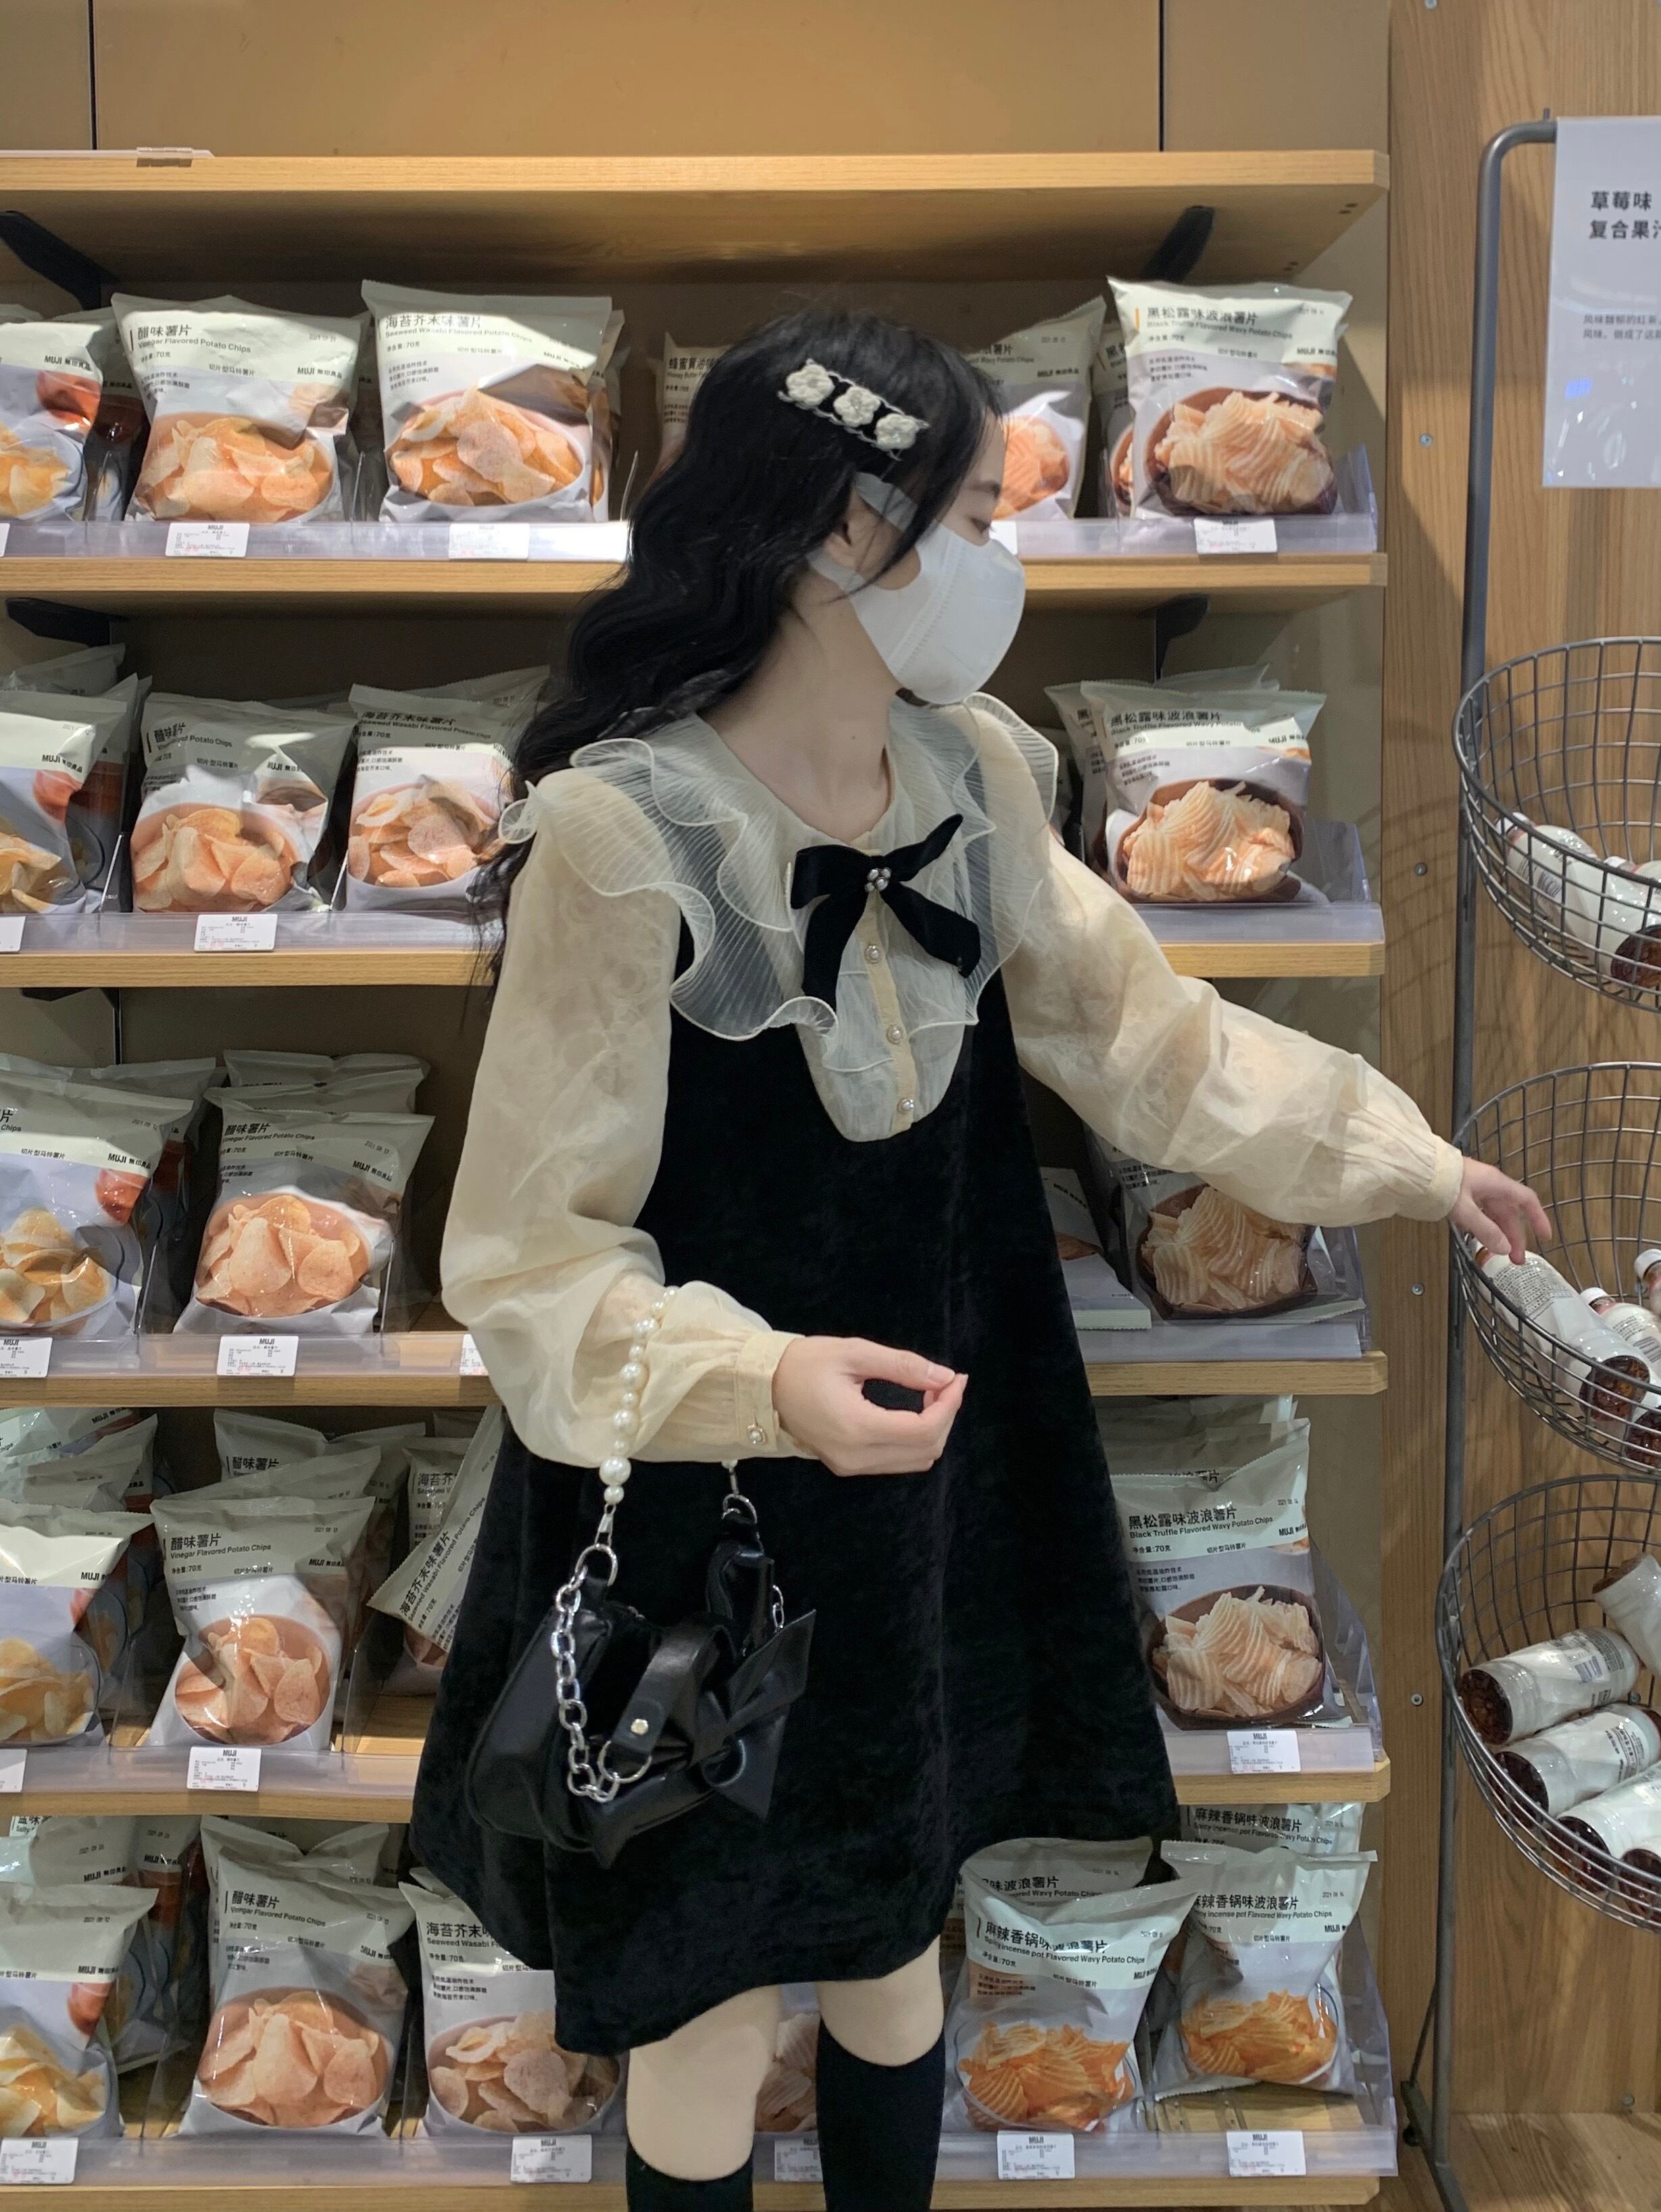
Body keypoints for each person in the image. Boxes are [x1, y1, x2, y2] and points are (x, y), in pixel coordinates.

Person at [412, 308, 1543, 2211]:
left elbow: (1152, 1043)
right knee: (699, 1987)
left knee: (894, 1923)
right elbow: (530, 1257)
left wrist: (1411, 1161)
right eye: (971, 516)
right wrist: (762, 1380)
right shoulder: (622, 837)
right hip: (699, 1501)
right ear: (838, 530)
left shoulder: (976, 774)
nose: (1000, 559)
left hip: (937, 1465)